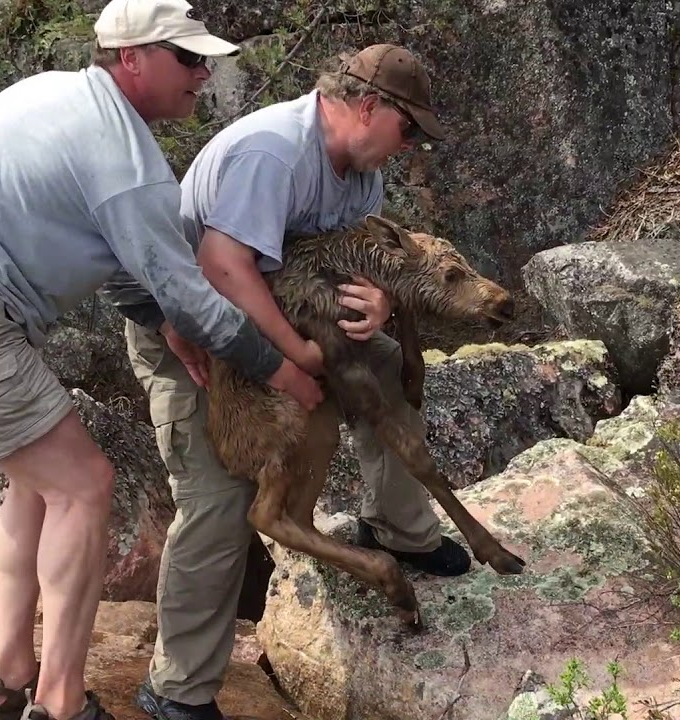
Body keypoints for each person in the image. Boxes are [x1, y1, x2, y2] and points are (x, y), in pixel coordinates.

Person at [0, 0, 325, 718]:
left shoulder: (58, 98)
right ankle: (60, 703)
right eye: (187, 58)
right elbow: (194, 296)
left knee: (33, 485)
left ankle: (8, 677)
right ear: (132, 58)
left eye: (204, 58)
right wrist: (285, 370)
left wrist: (161, 318)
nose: (203, 72)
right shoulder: (124, 153)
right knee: (84, 486)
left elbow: (136, 269)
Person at [103, 43, 465, 720]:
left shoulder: (361, 173)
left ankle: (401, 528)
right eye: (407, 129)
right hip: (191, 335)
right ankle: (177, 691)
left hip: (282, 323)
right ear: (367, 107)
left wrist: (380, 306)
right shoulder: (273, 152)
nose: (410, 146)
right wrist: (293, 356)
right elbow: (222, 268)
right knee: (217, 497)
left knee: (384, 365)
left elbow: (365, 261)